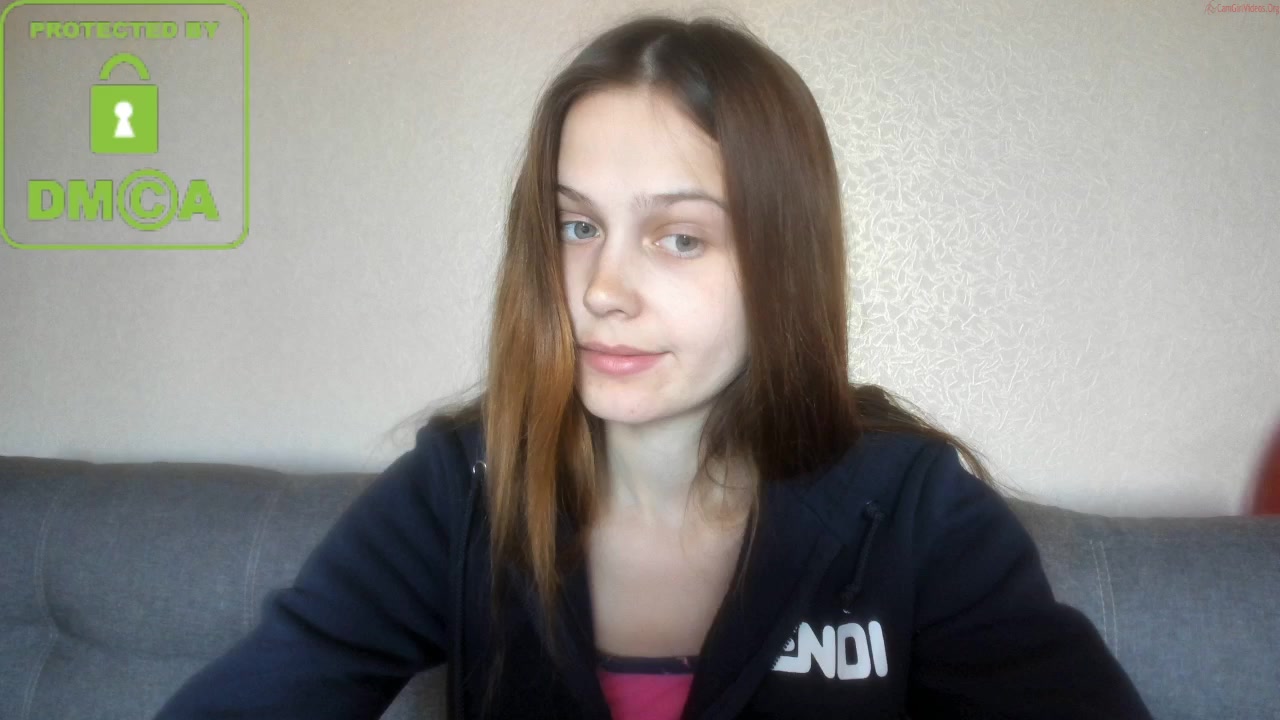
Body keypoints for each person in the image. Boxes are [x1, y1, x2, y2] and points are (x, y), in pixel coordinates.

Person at [153, 12, 1154, 720]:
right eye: (577, 226)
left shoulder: (910, 512)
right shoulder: (463, 488)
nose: (601, 289)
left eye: (679, 238)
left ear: (782, 263)